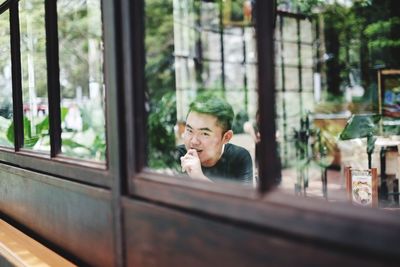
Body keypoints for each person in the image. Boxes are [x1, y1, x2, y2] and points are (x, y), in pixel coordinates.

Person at [177, 97, 253, 185]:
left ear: (226, 137)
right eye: (190, 130)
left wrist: (199, 178)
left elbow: (243, 198)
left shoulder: (239, 158)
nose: (194, 141)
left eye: (204, 133)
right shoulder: (176, 156)